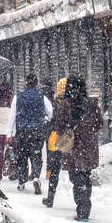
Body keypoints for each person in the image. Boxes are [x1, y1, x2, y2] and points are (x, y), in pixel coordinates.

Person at [51, 75, 103, 221]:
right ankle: (85, 205)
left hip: (73, 146)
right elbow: (99, 125)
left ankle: (82, 209)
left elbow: (59, 127)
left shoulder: (64, 104)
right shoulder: (92, 104)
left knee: (76, 177)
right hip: (89, 146)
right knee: (85, 176)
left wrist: (69, 132)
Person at [12, 73, 53, 193]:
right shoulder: (42, 97)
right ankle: (35, 177)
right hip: (37, 131)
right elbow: (50, 112)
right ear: (36, 84)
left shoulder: (18, 97)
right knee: (36, 155)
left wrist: (10, 133)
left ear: (26, 83)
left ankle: (21, 181)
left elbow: (12, 115)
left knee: (22, 156)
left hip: (22, 131)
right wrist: (45, 120)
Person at [42, 77, 68, 208]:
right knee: (75, 171)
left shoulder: (57, 103)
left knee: (55, 169)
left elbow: (54, 120)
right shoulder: (75, 103)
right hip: (71, 139)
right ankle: (81, 199)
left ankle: (50, 197)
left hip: (57, 138)